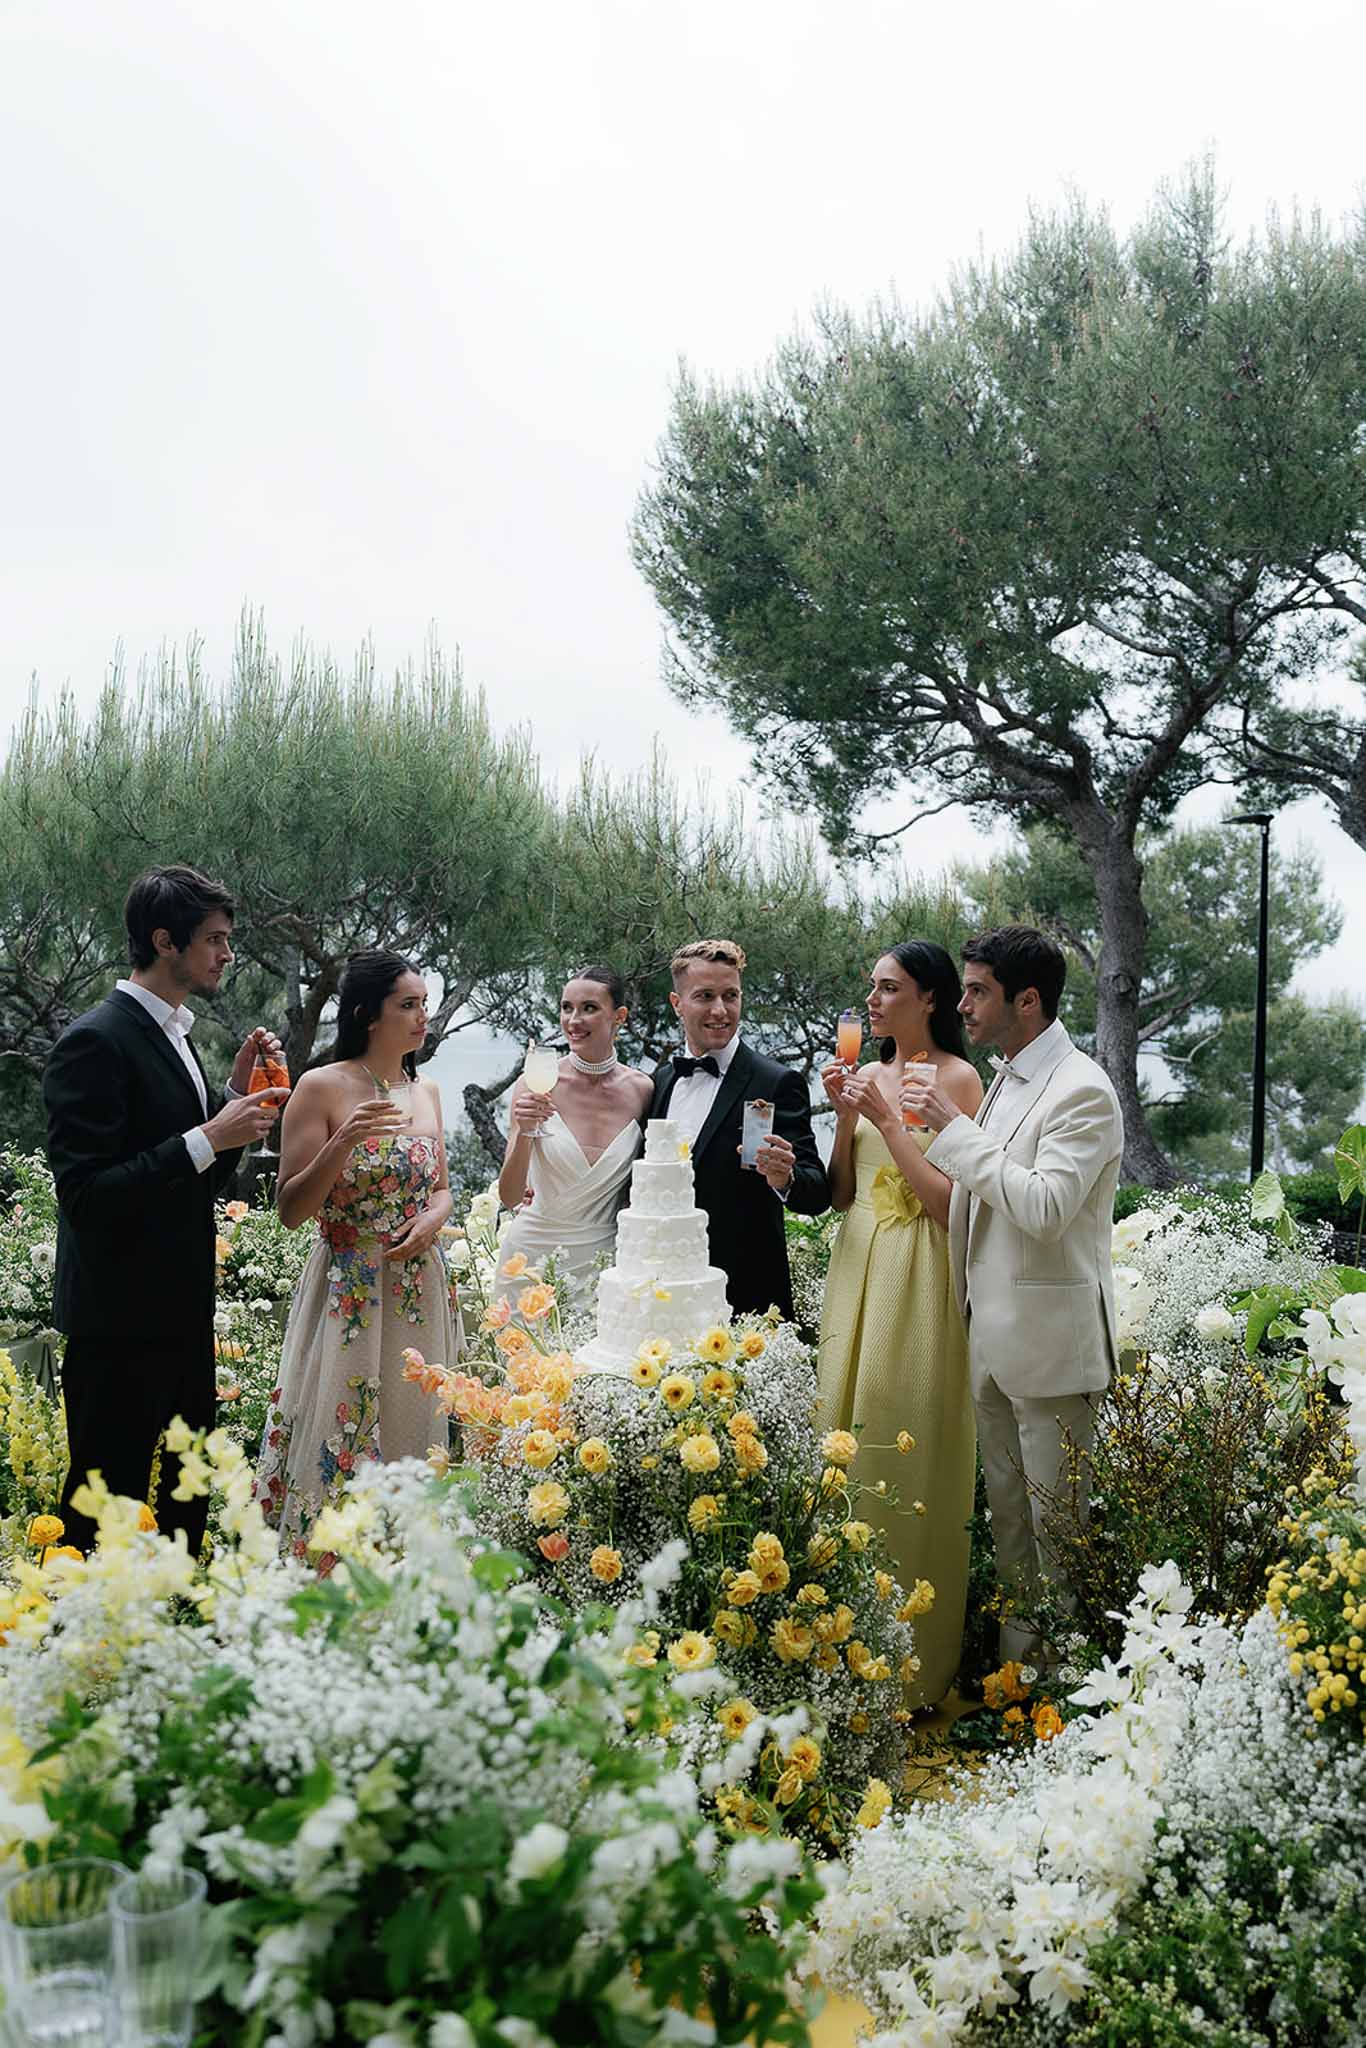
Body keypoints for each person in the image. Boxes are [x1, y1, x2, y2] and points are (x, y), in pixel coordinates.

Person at [44, 864, 289, 1554]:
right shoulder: (95, 1041)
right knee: (102, 1500)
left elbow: (191, 1179)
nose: (227, 953)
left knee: (187, 1496)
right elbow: (86, 1196)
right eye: (214, 939)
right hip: (117, 1324)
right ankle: (81, 1648)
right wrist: (211, 1134)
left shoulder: (175, 1034)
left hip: (181, 1313)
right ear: (164, 941)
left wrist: (227, 1106)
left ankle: (173, 1637)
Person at [907, 925, 1123, 1668]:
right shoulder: (1006, 1074)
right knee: (1010, 1531)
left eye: (977, 991)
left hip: (1054, 1354)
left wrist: (952, 1130)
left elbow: (1043, 1206)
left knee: (1060, 1542)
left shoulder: (1084, 1089)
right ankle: (1016, 1689)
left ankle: (1064, 1700)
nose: (961, 1005)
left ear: (1026, 1001)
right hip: (993, 1343)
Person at [815, 941, 983, 1706]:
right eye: (871, 988)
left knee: (906, 1435)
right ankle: (832, 1642)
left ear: (931, 999)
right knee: (842, 1434)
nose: (873, 1002)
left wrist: (890, 1119)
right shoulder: (868, 1074)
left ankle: (912, 1664)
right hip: (857, 1262)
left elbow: (953, 1205)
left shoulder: (958, 1079)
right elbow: (845, 1192)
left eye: (890, 988)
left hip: (920, 1270)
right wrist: (847, 1117)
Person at [253, 950, 458, 1552]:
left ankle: (410, 1562)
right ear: (369, 1015)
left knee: (414, 1424)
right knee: (343, 1423)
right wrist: (343, 1140)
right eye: (408, 1005)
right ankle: (328, 1562)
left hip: (420, 1286)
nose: (423, 1017)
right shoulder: (321, 1086)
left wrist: (432, 1222)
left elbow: (443, 1188)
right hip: (350, 1286)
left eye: (424, 1004)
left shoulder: (427, 1090)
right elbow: (290, 1211)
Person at [650, 939, 828, 1319]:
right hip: (663, 1294)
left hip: (746, 1299)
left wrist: (784, 1177)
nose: (720, 1010)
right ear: (677, 1003)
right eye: (705, 996)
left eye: (730, 995)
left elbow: (816, 1194)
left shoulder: (777, 1082)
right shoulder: (661, 1082)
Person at [496, 967, 653, 1296]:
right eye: (567, 1007)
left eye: (589, 1008)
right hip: (530, 1261)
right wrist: (525, 1132)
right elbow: (510, 1197)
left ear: (619, 1016)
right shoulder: (535, 1084)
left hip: (606, 1265)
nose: (573, 1020)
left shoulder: (643, 1091)